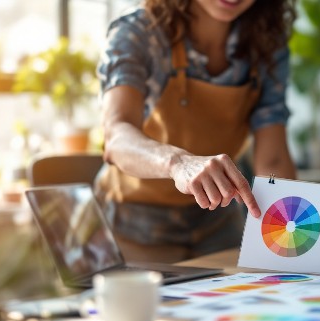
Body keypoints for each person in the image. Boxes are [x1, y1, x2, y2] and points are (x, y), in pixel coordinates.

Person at [95, 0, 297, 262]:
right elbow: (117, 136)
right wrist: (177, 163)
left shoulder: (266, 40)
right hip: (132, 224)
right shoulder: (139, 32)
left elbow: (274, 159)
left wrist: (298, 241)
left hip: (219, 220)